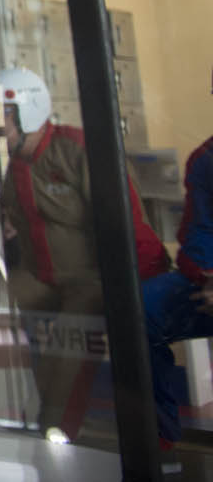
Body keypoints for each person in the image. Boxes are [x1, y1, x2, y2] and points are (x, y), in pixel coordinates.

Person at [0, 65, 170, 442]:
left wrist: (147, 285)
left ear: (28, 112)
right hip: (44, 279)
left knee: (69, 348)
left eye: (2, 114)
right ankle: (38, 422)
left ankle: (59, 433)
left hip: (91, 280)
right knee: (1, 316)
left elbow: (126, 219)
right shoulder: (13, 165)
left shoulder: (77, 149)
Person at [143, 118, 213, 449]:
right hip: (210, 284)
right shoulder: (206, 159)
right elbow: (198, 233)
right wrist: (207, 277)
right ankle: (160, 438)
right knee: (142, 308)